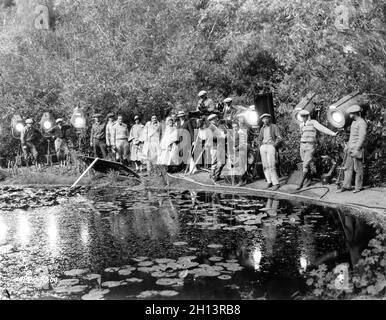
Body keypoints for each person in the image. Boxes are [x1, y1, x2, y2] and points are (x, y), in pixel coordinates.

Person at [297, 109, 337, 190]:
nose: (303, 118)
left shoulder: (313, 122)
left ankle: (300, 184)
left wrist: (332, 133)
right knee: (305, 163)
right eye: (302, 116)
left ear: (308, 116)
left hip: (310, 145)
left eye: (305, 116)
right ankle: (307, 182)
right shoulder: (301, 125)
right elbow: (301, 134)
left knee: (305, 164)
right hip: (302, 145)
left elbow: (322, 128)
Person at [337, 105, 367, 193]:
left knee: (358, 169)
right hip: (350, 149)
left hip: (356, 149)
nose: (349, 115)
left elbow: (362, 137)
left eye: (350, 113)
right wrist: (347, 146)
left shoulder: (362, 123)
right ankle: (346, 186)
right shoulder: (354, 122)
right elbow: (352, 137)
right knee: (347, 167)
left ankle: (358, 187)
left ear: (354, 113)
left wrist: (357, 148)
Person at [257, 113, 282, 190]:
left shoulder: (274, 126)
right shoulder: (262, 128)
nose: (265, 120)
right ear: (262, 120)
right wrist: (260, 146)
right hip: (263, 147)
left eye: (266, 118)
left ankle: (276, 183)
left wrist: (274, 145)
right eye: (263, 119)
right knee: (265, 166)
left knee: (271, 165)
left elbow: (279, 137)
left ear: (269, 119)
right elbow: (259, 139)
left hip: (270, 146)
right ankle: (269, 182)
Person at [207, 114, 227, 182]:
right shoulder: (210, 128)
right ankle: (213, 176)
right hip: (214, 146)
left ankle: (216, 175)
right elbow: (212, 137)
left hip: (220, 146)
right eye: (214, 119)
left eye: (216, 118)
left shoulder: (217, 127)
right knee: (215, 162)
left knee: (223, 161)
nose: (216, 120)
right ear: (211, 121)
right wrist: (221, 137)